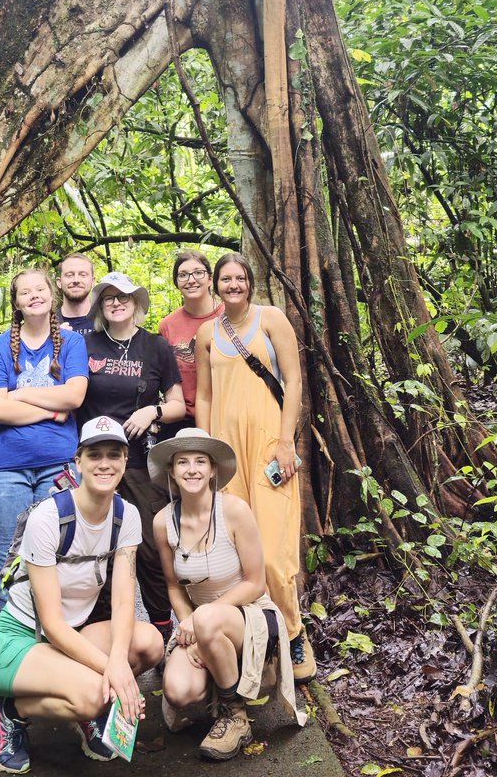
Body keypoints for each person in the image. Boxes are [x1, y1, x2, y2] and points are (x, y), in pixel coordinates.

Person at [0, 416, 164, 773]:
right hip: (22, 640)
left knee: (149, 643)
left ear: (125, 461)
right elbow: (51, 623)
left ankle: (83, 703)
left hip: (71, 636)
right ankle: (9, 711)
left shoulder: (126, 516)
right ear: (78, 461)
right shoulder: (49, 518)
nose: (105, 464)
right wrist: (114, 670)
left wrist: (118, 665)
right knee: (96, 692)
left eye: (114, 454)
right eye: (95, 455)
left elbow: (125, 601)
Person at [194, 253, 316, 682]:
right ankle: (260, 641)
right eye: (225, 279)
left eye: (239, 278)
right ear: (215, 285)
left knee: (276, 551)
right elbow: (205, 396)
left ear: (249, 282)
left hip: (268, 448)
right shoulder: (207, 333)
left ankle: (294, 631)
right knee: (238, 553)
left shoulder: (271, 319)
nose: (233, 285)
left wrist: (286, 441)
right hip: (226, 454)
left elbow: (295, 380)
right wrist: (203, 450)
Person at [149, 428, 306, 762]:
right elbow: (174, 586)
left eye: (200, 461)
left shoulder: (234, 510)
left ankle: (234, 714)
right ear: (172, 471)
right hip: (200, 621)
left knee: (209, 622)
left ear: (212, 469)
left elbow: (255, 583)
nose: (191, 469)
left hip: (248, 613)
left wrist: (205, 617)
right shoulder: (163, 522)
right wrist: (190, 623)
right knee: (178, 692)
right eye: (183, 462)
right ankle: (219, 676)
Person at [79, 272, 185, 645]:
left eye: (124, 296)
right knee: (94, 547)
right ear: (101, 306)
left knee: (149, 548)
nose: (116, 302)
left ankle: (161, 627)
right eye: (108, 297)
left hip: (139, 461)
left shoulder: (155, 346)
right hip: (94, 461)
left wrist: (152, 412)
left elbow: (177, 404)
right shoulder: (86, 345)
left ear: (136, 304)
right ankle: (101, 631)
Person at [0, 268, 88, 606]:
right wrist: (52, 409)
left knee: (58, 558)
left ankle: (55, 644)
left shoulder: (72, 343)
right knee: (10, 564)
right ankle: (14, 651)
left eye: (39, 289)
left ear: (51, 294)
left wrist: (20, 396)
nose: (34, 295)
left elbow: (74, 397)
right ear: (17, 303)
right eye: (25, 292)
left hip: (58, 467)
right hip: (4, 472)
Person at [158, 249, 222, 438]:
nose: (191, 280)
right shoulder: (167, 325)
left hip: (225, 414)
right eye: (183, 275)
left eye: (198, 273)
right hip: (183, 420)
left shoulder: (228, 315)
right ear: (177, 282)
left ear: (210, 279)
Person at [56, 253, 96, 336]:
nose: (76, 280)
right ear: (59, 282)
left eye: (83, 275)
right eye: (70, 275)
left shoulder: (106, 321)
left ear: (93, 281)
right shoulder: (49, 325)